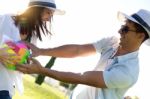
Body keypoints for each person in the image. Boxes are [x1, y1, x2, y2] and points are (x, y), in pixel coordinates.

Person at [16, 9, 150, 99]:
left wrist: (42, 70)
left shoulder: (128, 72)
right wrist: (41, 51)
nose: (120, 31)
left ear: (140, 36)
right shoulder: (112, 42)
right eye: (122, 26)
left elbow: (81, 77)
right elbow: (78, 50)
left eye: (126, 29)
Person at [0, 0, 64, 99]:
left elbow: (23, 59)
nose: (49, 18)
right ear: (36, 10)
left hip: (7, 87)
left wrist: (27, 64)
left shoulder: (32, 35)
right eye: (48, 12)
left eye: (51, 14)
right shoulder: (7, 19)